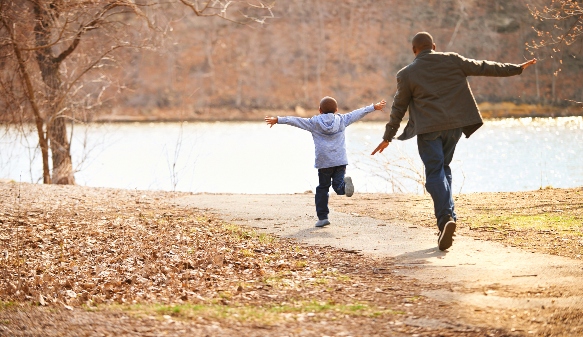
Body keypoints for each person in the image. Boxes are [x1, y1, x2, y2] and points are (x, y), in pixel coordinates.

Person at [371, 31, 536, 251]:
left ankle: (445, 219)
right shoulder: (453, 60)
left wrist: (388, 137)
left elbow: (398, 108)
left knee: (434, 171)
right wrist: (516, 69)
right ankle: (448, 218)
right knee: (443, 168)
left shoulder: (406, 74)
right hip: (454, 127)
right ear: (434, 46)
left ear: (414, 50)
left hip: (429, 130)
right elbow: (484, 67)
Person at [266, 97, 386, 227]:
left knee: (323, 188)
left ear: (319, 110)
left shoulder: (314, 123)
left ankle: (323, 217)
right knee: (338, 186)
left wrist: (278, 119)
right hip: (340, 161)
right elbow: (358, 113)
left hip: (324, 162)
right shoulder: (342, 120)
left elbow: (295, 120)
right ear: (336, 109)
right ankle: (344, 188)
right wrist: (373, 107)